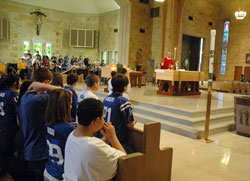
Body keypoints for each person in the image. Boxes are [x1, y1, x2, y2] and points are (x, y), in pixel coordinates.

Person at [63, 98, 126, 181]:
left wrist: (107, 138)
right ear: (96, 121)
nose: (104, 120)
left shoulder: (72, 135)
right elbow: (125, 160)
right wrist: (112, 137)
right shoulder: (94, 146)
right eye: (103, 117)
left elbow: (90, 148)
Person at [19, 68, 60, 181]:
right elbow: (65, 93)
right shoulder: (39, 99)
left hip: (29, 150)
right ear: (46, 82)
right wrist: (46, 87)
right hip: (38, 152)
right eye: (48, 84)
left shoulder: (26, 97)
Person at [44, 89, 76, 181]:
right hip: (61, 175)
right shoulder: (68, 128)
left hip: (49, 170)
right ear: (64, 107)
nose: (70, 107)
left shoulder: (48, 122)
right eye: (69, 104)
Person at [103, 74, 136, 153]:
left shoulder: (106, 99)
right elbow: (130, 124)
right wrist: (134, 121)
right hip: (116, 140)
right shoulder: (123, 101)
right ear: (125, 87)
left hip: (104, 138)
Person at [0, 74, 20, 178]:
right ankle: (8, 171)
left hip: (2, 122)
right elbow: (18, 111)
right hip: (9, 125)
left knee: (4, 147)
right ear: (14, 83)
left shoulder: (2, 92)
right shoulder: (12, 94)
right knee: (9, 149)